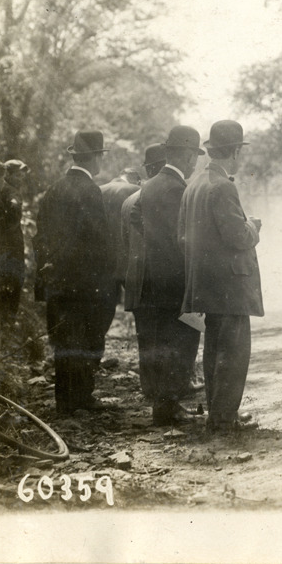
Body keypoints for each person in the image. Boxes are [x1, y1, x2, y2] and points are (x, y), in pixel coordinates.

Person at [179, 120, 263, 433]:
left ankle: (218, 415)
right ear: (235, 151)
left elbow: (181, 237)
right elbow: (238, 237)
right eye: (240, 151)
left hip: (206, 283)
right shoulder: (223, 186)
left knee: (214, 349)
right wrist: (253, 226)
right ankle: (224, 419)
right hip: (230, 284)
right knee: (234, 351)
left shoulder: (194, 184)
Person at [33, 130, 114, 415]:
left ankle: (65, 401)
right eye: (100, 156)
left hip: (58, 282)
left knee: (64, 342)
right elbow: (99, 240)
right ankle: (81, 398)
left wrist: (47, 272)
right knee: (87, 338)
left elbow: (39, 237)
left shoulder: (53, 190)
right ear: (95, 157)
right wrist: (107, 276)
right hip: (86, 283)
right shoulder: (90, 191)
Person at [141, 126, 205, 426]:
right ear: (188, 156)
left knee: (163, 341)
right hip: (176, 279)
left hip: (155, 278)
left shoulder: (151, 185)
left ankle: (165, 406)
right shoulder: (176, 189)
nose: (194, 164)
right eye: (194, 157)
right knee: (181, 342)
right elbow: (182, 239)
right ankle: (169, 408)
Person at [122, 143, 168, 398]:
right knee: (165, 338)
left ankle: (150, 389)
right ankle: (165, 395)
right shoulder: (158, 196)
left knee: (147, 338)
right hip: (156, 279)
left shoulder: (129, 199)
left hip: (136, 280)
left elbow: (124, 243)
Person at [98, 167, 142, 357]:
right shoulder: (136, 191)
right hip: (128, 259)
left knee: (103, 310)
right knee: (141, 311)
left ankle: (94, 357)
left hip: (103, 262)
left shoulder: (100, 189)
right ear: (136, 180)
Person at [0, 159, 29, 328]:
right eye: (18, 175)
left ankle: (7, 324)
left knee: (10, 286)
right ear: (7, 175)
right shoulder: (10, 192)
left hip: (9, 247)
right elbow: (12, 207)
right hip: (10, 249)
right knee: (12, 285)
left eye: (22, 175)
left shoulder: (4, 191)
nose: (21, 179)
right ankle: (8, 324)